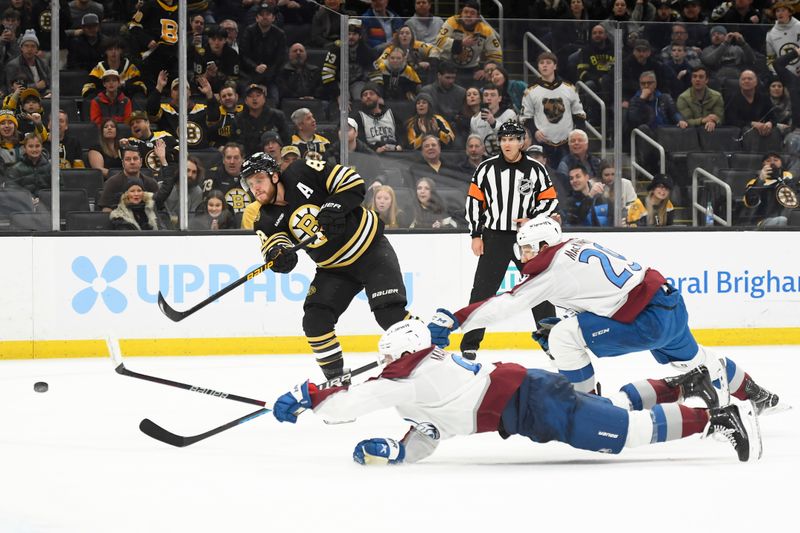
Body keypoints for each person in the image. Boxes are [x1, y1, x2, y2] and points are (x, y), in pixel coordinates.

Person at [427, 216, 783, 417]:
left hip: (645, 320)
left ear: (545, 245)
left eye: (527, 248)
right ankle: (754, 392)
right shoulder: (576, 246)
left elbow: (505, 304)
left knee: (563, 337)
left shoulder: (550, 268)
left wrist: (456, 320)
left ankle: (587, 406)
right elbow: (600, 293)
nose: (523, 256)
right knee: (700, 358)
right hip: (667, 301)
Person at [271, 319, 763, 464]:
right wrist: (398, 453)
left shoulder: (404, 380)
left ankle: (716, 419)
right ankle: (679, 385)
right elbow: (432, 429)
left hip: (532, 403)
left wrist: (307, 394)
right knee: (610, 406)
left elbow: (343, 410)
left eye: (389, 359)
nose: (384, 365)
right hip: (531, 395)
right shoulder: (413, 381)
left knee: (626, 435)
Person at [239, 152, 413, 380]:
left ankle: (431, 349)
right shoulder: (265, 219)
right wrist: (279, 257)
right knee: (315, 320)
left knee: (389, 314)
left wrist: (335, 206)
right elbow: (274, 246)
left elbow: (353, 182)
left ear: (273, 176)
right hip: (334, 269)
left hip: (371, 250)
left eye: (259, 180)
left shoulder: (301, 171)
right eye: (250, 185)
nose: (255, 189)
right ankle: (336, 382)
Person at [461, 120, 558, 360]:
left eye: (512, 139)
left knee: (539, 288)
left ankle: (553, 342)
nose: (507, 143)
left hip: (527, 239)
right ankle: (470, 345)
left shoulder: (536, 169)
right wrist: (476, 234)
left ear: (521, 142)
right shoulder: (485, 169)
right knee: (482, 291)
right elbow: (474, 203)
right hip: (494, 237)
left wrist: (532, 218)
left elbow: (550, 200)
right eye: (503, 139)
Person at [519, 52, 587, 167]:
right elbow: (525, 117)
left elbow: (579, 115)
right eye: (541, 63)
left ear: (555, 66)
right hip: (542, 143)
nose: (544, 65)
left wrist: (576, 138)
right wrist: (534, 131)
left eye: (548, 63)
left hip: (566, 143)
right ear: (538, 66)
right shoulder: (530, 90)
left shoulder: (569, 87)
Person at [434, 0, 503, 84]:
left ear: (478, 17)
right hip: (448, 65)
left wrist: (486, 70)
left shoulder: (485, 30)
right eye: (465, 12)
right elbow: (439, 41)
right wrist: (461, 43)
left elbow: (496, 55)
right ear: (461, 14)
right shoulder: (452, 21)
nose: (468, 15)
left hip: (471, 69)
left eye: (472, 13)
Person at [238, 4, 287, 105]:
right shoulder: (249, 31)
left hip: (271, 77)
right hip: (250, 75)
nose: (265, 17)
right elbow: (243, 56)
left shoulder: (280, 34)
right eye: (261, 14)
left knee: (274, 98)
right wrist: (255, 67)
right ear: (256, 18)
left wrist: (266, 78)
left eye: (268, 14)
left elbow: (280, 59)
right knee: (247, 98)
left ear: (273, 18)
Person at [97, 145, 161, 212]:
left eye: (135, 158)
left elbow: (159, 207)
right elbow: (106, 208)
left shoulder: (151, 183)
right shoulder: (112, 182)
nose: (132, 162)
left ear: (141, 161)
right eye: (128, 159)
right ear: (123, 163)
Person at [743, 152, 797, 227]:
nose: (772, 162)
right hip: (766, 220)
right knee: (782, 220)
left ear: (781, 163)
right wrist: (760, 181)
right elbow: (750, 203)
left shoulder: (790, 178)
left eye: (776, 160)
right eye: (768, 161)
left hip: (792, 216)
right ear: (763, 165)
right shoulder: (754, 182)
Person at [202, 142, 251, 215]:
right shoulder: (212, 176)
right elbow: (206, 206)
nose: (232, 162)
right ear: (223, 160)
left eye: (236, 158)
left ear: (242, 160)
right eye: (228, 158)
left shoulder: (251, 177)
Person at [469, 84, 516, 157]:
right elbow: (474, 141)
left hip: (505, 157)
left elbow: (510, 137)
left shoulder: (509, 114)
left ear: (499, 98)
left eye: (492, 95)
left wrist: (494, 123)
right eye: (486, 95)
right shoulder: (475, 119)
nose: (489, 98)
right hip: (484, 158)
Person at [676, 67, 724, 132]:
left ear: (706, 80)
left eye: (701, 77)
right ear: (691, 79)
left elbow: (720, 119)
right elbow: (686, 121)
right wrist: (702, 120)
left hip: (712, 133)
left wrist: (713, 122)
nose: (697, 79)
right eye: (694, 77)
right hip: (691, 134)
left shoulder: (717, 97)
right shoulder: (683, 98)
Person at [5, 133, 49, 199]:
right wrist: (27, 200)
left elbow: (60, 189)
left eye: (37, 146)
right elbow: (10, 192)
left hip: (47, 206)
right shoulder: (15, 169)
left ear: (42, 147)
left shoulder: (51, 168)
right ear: (25, 148)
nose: (34, 149)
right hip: (24, 206)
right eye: (30, 146)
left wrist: (44, 200)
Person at [766, 1, 800, 77]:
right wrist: (776, 74)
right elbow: (770, 58)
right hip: (784, 76)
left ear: (790, 12)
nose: (780, 13)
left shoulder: (799, 26)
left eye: (783, 10)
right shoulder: (771, 34)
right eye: (777, 11)